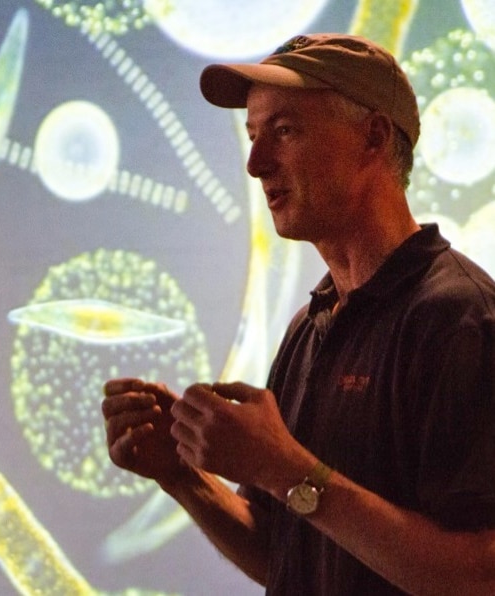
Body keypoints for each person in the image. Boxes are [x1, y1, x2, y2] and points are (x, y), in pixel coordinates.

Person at [102, 33, 495, 595]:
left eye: (284, 132)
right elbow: (284, 553)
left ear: (373, 139)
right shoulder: (311, 326)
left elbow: (481, 576)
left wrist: (285, 470)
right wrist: (181, 475)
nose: (258, 164)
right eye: (254, 137)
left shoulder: (461, 320)